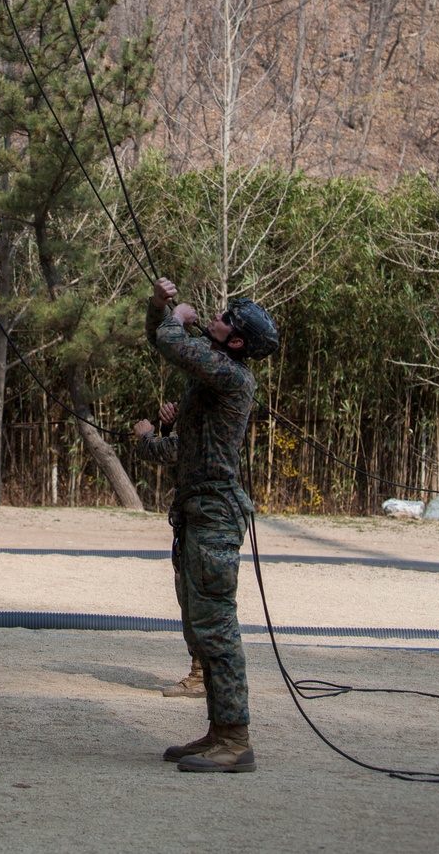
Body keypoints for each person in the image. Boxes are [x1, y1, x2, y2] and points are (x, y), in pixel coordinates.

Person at [133, 276, 278, 774]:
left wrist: (179, 318)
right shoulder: (216, 365)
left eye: (225, 320)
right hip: (197, 511)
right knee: (201, 622)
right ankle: (218, 732)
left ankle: (235, 740)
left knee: (216, 627)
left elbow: (173, 341)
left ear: (235, 341)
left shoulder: (231, 374)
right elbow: (163, 337)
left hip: (215, 514)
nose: (215, 318)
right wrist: (159, 305)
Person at [149, 398, 206, 702]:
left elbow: (175, 451)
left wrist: (147, 436)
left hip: (206, 521)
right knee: (190, 598)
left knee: (200, 603)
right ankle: (203, 673)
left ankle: (204, 677)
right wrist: (169, 426)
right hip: (194, 518)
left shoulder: (215, 392)